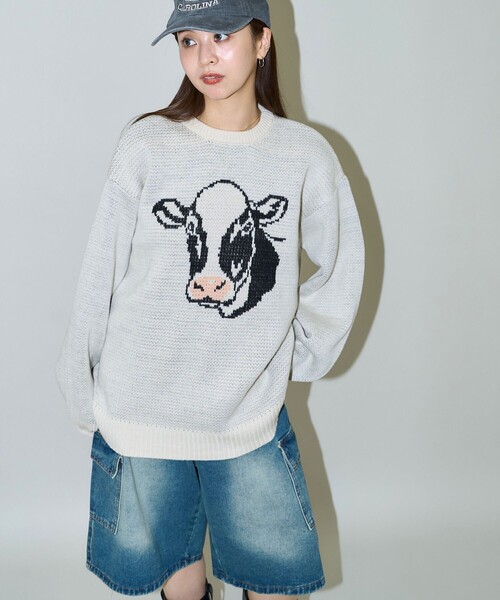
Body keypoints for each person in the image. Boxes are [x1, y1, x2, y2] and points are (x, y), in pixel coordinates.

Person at [55, 1, 365, 598]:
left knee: (274, 583)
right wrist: (78, 377)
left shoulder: (302, 155)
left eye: (222, 35)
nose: (205, 56)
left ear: (262, 41)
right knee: (181, 587)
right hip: (143, 415)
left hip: (248, 418)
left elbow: (343, 259)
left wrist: (300, 350)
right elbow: (100, 270)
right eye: (188, 41)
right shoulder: (147, 145)